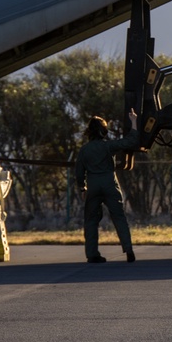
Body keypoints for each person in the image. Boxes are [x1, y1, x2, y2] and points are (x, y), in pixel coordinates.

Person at [76, 109, 139, 263]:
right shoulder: (108, 146)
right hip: (110, 183)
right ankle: (128, 250)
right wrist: (134, 122)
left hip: (93, 185)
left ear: (88, 132)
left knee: (90, 220)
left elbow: (79, 172)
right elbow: (130, 141)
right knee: (119, 217)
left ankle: (92, 254)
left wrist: (82, 188)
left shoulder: (84, 150)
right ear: (103, 130)